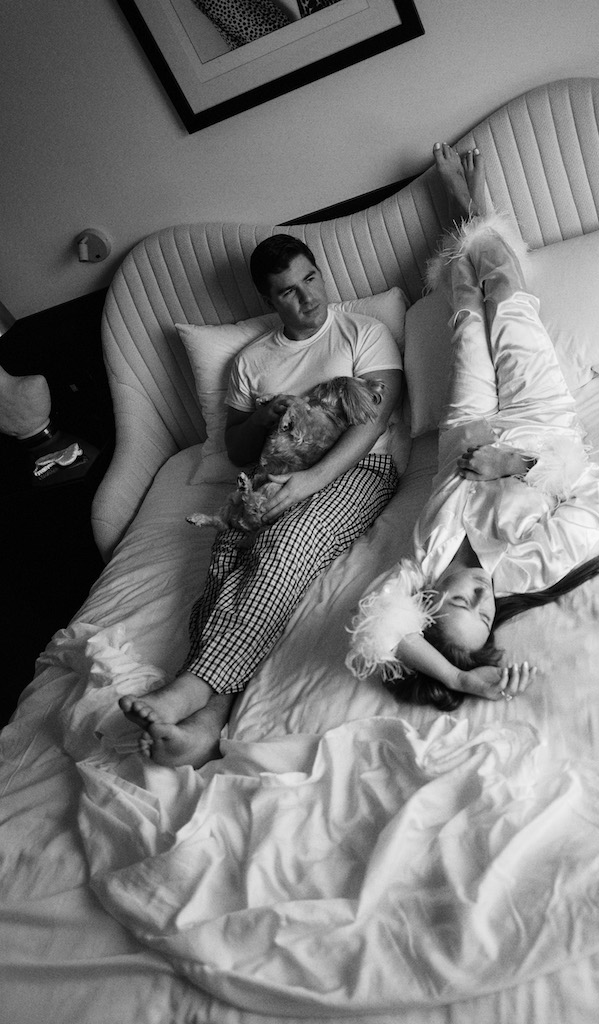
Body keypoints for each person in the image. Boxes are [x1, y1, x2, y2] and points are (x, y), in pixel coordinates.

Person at [346, 143, 599, 710]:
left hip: (467, 425)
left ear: (427, 605)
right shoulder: (527, 568)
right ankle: (471, 203)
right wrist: (516, 465)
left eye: (462, 606)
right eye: (486, 613)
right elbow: (594, 496)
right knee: (508, 301)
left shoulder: (420, 565)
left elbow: (377, 629)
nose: (480, 598)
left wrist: (453, 678)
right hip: (540, 418)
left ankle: (462, 211)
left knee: (467, 313)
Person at [119, 234, 404, 765]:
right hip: (270, 474)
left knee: (285, 544)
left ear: (320, 272)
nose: (306, 298)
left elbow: (374, 420)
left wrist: (310, 481)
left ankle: (189, 688)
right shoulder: (252, 363)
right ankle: (205, 726)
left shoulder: (364, 332)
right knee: (227, 562)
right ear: (269, 301)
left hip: (357, 467)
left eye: (310, 280)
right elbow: (235, 447)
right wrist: (262, 419)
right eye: (287, 292)